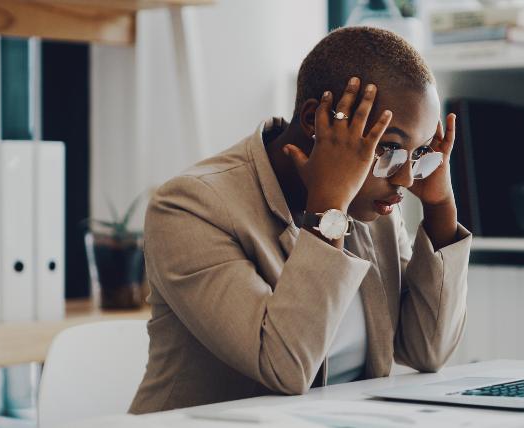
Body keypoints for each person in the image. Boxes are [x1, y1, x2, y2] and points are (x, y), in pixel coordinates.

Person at [129, 26, 471, 414]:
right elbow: (284, 367)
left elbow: (428, 350)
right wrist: (328, 207)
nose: (405, 179)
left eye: (420, 152)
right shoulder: (190, 207)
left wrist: (441, 207)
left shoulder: (373, 211)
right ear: (315, 119)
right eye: (390, 147)